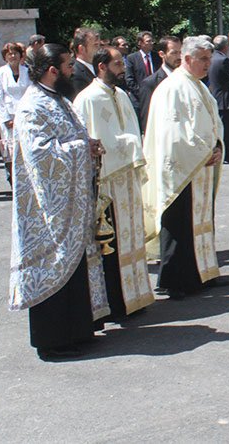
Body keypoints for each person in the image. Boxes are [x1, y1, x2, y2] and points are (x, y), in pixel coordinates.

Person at [9, 43, 109, 360]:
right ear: (53, 70)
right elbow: (41, 156)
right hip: (47, 210)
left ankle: (78, 329)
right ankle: (52, 339)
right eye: (68, 66)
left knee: (75, 265)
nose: (72, 71)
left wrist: (87, 144)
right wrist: (82, 148)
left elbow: (70, 137)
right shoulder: (31, 106)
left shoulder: (59, 99)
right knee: (53, 265)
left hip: (72, 202)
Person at [72, 47, 155, 318]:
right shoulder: (88, 99)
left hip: (127, 179)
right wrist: (130, 145)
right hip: (107, 182)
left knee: (131, 239)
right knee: (111, 243)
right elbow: (91, 140)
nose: (123, 68)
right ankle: (116, 303)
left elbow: (132, 131)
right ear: (101, 66)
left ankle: (135, 297)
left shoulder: (121, 95)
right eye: (117, 63)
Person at [143, 36, 224, 299]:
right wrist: (205, 152)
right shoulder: (173, 87)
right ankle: (175, 279)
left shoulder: (198, 86)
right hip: (181, 168)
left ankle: (201, 272)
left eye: (209, 59)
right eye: (203, 59)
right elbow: (173, 133)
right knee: (179, 222)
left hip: (201, 164)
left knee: (199, 221)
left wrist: (218, 146)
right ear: (187, 59)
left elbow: (214, 122)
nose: (207, 64)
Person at [0, 42, 31, 184]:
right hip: (7, 116)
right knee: (10, 149)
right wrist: (5, 118)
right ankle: (13, 179)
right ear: (5, 56)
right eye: (9, 53)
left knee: (25, 147)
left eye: (15, 53)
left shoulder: (27, 71)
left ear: (20, 55)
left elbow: (32, 92)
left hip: (25, 115)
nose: (13, 56)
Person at [137, 35, 182, 134]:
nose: (179, 57)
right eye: (174, 53)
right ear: (162, 54)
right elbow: (147, 120)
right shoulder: (150, 83)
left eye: (180, 52)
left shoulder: (187, 79)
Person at [209, 35, 229, 163]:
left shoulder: (211, 58)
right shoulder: (223, 60)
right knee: (226, 131)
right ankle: (227, 156)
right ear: (226, 46)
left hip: (216, 98)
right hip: (226, 101)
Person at [125, 31, 159, 103]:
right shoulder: (132, 58)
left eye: (152, 41)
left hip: (157, 96)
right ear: (140, 43)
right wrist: (142, 93)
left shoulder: (157, 57)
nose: (151, 43)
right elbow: (129, 79)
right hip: (140, 99)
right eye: (148, 41)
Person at [69, 27, 100, 100]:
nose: (99, 49)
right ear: (82, 49)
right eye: (95, 45)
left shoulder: (98, 68)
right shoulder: (75, 74)